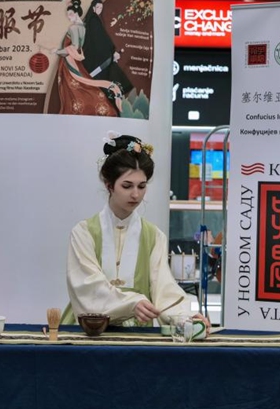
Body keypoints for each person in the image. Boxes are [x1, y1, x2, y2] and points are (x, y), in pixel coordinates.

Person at [63, 132, 209, 329]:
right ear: (109, 185)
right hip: (90, 327)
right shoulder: (84, 232)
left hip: (137, 330)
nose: (135, 194)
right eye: (127, 186)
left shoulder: (154, 236)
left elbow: (164, 289)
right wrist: (132, 303)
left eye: (142, 186)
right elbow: (86, 287)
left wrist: (186, 317)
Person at [45, 0, 123, 116]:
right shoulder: (84, 27)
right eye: (68, 14)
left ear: (76, 13)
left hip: (71, 64)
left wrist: (57, 51)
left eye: (70, 14)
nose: (68, 16)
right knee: (84, 88)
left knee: (74, 92)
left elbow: (74, 47)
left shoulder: (74, 28)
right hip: (78, 63)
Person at [81, 0, 133, 98]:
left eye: (101, 8)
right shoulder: (94, 20)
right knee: (110, 72)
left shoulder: (94, 20)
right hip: (96, 54)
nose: (99, 10)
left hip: (98, 53)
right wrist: (111, 51)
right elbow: (100, 39)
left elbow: (103, 38)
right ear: (93, 8)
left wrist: (111, 50)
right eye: (98, 7)